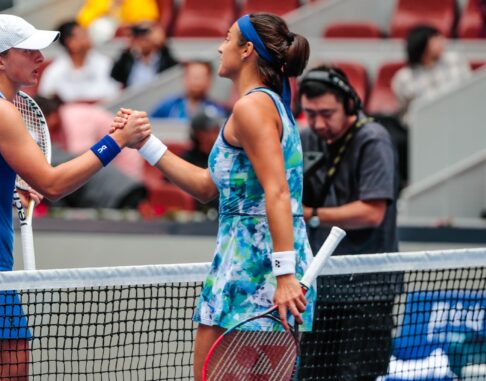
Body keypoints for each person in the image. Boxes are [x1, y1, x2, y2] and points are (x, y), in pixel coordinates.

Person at [0, 14, 150, 380]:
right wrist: (115, 141)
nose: (41, 58)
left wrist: (4, 187)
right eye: (29, 51)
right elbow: (53, 185)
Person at [114, 13, 312, 381]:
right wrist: (145, 143)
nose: (221, 46)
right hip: (262, 266)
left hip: (253, 270)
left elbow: (278, 190)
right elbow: (208, 186)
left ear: (247, 50)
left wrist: (284, 275)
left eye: (228, 38)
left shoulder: (251, 108)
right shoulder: (265, 106)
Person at [297, 65, 400, 381]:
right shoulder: (307, 138)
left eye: (327, 113)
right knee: (312, 376)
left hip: (367, 291)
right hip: (320, 288)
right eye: (310, 114)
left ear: (350, 104)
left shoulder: (373, 139)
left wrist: (311, 214)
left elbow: (372, 212)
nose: (318, 123)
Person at [391, 24, 471, 125]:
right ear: (421, 43)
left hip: (459, 120)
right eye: (436, 37)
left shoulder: (455, 60)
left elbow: (469, 91)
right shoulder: (403, 78)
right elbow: (405, 113)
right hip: (423, 127)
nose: (442, 40)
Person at [37, 20, 121, 103]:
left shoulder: (103, 62)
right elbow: (46, 100)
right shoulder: (54, 72)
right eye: (83, 35)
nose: (88, 38)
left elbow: (114, 91)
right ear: (70, 43)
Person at [150, 60, 228, 119]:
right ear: (185, 78)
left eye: (200, 77)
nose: (196, 81)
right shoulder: (167, 105)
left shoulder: (218, 110)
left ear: (209, 81)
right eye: (192, 76)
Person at [110, 21, 178, 88]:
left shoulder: (163, 58)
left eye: (145, 33)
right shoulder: (130, 58)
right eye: (139, 35)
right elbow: (115, 75)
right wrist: (128, 48)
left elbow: (173, 71)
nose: (142, 39)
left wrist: (163, 45)